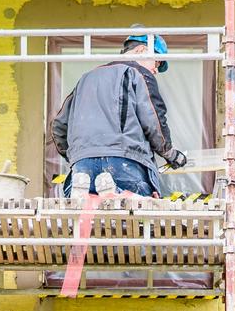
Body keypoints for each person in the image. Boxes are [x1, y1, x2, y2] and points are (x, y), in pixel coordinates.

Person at [50, 28, 188, 202]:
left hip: (82, 165)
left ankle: (83, 189)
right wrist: (170, 154)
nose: (155, 70)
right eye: (157, 63)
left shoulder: (86, 78)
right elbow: (154, 121)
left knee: (92, 222)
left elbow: (58, 126)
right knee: (130, 221)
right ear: (142, 50)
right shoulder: (138, 73)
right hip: (125, 164)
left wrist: (79, 154)